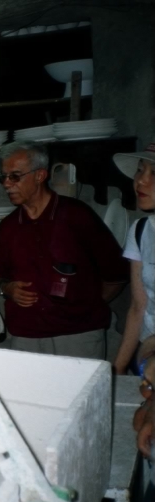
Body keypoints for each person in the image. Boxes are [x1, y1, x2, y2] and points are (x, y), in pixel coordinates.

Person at [0, 141, 129, 359]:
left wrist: (86, 307)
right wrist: (6, 289)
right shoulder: (9, 226)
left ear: (40, 175)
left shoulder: (77, 216)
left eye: (15, 176)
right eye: (3, 177)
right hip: (27, 335)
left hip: (78, 336)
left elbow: (117, 273)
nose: (7, 184)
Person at [112, 142, 155, 374]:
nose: (140, 181)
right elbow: (138, 307)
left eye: (153, 173)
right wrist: (116, 372)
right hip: (146, 356)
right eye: (140, 170)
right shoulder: (140, 230)